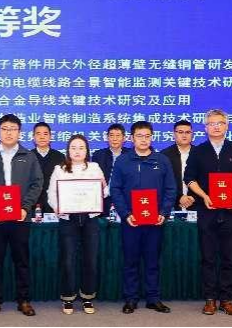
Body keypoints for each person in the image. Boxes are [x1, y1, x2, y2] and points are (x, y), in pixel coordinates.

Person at [183, 109, 232, 316]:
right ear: (205, 128)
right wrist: (204, 196)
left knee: (228, 258)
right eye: (211, 123)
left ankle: (226, 300)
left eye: (220, 123)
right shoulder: (198, 151)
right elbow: (189, 178)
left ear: (227, 126)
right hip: (207, 211)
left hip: (230, 211)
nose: (216, 126)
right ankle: (210, 299)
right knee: (208, 257)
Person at [0, 114, 43, 317]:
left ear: (19, 132)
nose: (9, 133)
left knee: (21, 261)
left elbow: (37, 183)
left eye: (13, 129)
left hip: (20, 217)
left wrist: (25, 207)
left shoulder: (28, 156)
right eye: (5, 129)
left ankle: (24, 300)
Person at [110, 121, 177, 314]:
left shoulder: (162, 160)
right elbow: (115, 189)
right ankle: (130, 299)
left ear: (152, 137)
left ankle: (153, 299)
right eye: (139, 136)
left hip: (155, 220)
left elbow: (171, 189)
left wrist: (164, 212)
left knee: (152, 261)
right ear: (131, 138)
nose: (144, 140)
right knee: (130, 261)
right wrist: (125, 214)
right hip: (131, 220)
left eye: (147, 136)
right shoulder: (123, 161)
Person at [47, 135, 107, 315]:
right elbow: (51, 194)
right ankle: (68, 297)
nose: (77, 151)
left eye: (81, 147)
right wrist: (57, 207)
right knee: (68, 260)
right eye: (73, 148)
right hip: (68, 219)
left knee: (90, 259)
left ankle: (88, 297)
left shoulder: (94, 167)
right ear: (68, 151)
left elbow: (104, 191)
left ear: (87, 150)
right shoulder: (59, 169)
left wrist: (101, 189)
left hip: (90, 219)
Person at [92, 123, 131, 212]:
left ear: (124, 138)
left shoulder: (131, 155)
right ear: (107, 138)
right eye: (112, 135)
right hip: (104, 199)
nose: (114, 139)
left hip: (125, 199)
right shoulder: (98, 155)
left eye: (118, 135)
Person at [161, 120, 196, 211]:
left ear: (192, 134)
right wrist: (179, 197)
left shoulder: (199, 153)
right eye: (180, 132)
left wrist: (193, 197)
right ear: (174, 134)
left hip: (196, 203)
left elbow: (204, 179)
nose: (184, 135)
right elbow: (162, 181)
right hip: (172, 204)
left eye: (187, 132)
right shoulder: (164, 155)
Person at [32, 122, 65, 214]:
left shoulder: (60, 157)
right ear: (33, 137)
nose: (42, 137)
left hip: (54, 205)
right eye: (38, 134)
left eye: (45, 134)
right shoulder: (28, 156)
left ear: (50, 136)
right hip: (33, 204)